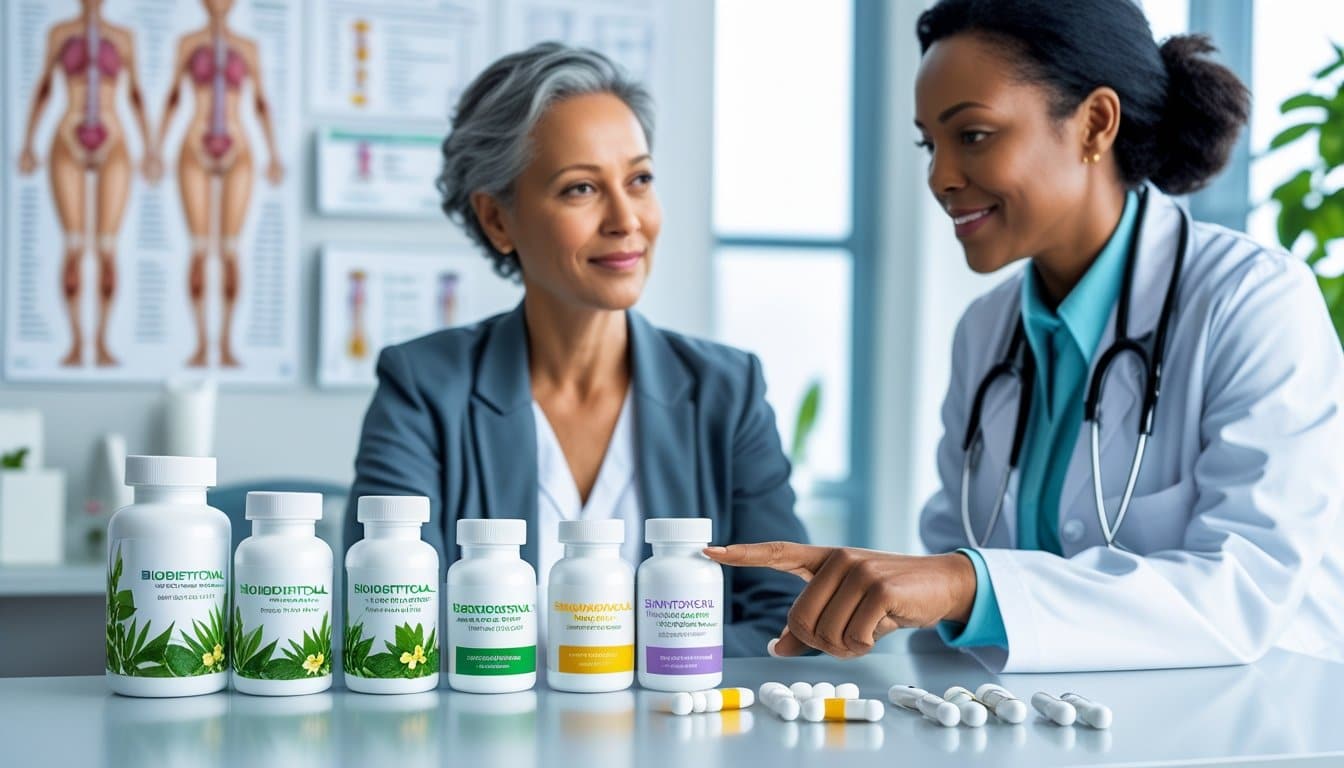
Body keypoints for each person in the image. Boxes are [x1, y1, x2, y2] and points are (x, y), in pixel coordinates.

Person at [707, 0, 1344, 672]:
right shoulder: (987, 333)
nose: (940, 177)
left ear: (1095, 123)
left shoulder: (1252, 301)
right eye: (930, 143)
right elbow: (958, 572)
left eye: (973, 135)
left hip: (1248, 732)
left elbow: (1244, 591)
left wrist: (963, 582)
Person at [345, 42, 808, 656]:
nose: (626, 219)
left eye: (639, 179)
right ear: (497, 221)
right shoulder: (424, 387)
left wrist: (629, 678)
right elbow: (386, 621)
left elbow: (785, 618)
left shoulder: (728, 389)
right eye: (581, 189)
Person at [16, 0, 156, 367]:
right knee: (74, 245)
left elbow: (136, 94)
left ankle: (104, 341)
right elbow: (45, 87)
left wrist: (150, 147)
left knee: (107, 247)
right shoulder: (60, 33)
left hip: (113, 137)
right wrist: (29, 142)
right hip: (68, 133)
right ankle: (78, 342)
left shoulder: (124, 37)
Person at [152, 0, 284, 368]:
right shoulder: (187, 43)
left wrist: (273, 153)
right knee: (199, 247)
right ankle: (199, 343)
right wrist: (156, 149)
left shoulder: (248, 47)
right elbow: (173, 97)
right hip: (194, 143)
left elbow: (261, 103)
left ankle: (224, 343)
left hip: (239, 147)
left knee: (229, 249)